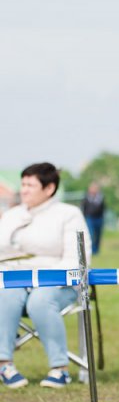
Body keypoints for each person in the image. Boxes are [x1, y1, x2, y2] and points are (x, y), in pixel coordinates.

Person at [0, 162, 92, 389]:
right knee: (6, 295)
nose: (24, 190)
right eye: (22, 184)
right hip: (14, 279)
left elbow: (77, 258)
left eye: (30, 185)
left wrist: (42, 279)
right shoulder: (11, 215)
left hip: (59, 283)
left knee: (40, 301)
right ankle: (4, 365)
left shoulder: (68, 215)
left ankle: (60, 369)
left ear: (49, 188)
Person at [81, 182, 105, 255]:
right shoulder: (86, 198)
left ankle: (96, 250)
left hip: (99, 218)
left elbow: (103, 208)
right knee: (90, 234)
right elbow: (84, 208)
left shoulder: (100, 198)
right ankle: (90, 249)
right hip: (89, 218)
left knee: (98, 235)